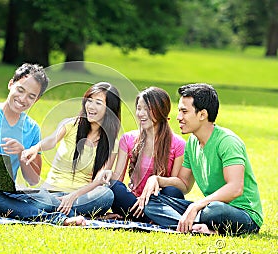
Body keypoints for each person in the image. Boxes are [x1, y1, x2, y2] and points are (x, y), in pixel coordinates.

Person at [0, 63, 85, 226]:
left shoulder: (32, 129)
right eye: (20, 90)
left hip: (9, 193)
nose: (23, 99)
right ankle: (53, 219)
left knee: (48, 200)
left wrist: (22, 154)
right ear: (11, 84)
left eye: (31, 96)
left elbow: (33, 179)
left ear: (37, 99)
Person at [143, 83, 263, 235]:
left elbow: (235, 188)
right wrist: (158, 180)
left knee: (213, 210)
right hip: (208, 208)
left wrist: (196, 206)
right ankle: (197, 227)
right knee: (152, 202)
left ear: (202, 115)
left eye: (184, 112)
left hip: (243, 215)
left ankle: (193, 223)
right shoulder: (192, 143)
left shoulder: (228, 142)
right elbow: (184, 184)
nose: (178, 117)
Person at [21, 82, 121, 217]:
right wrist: (35, 148)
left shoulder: (111, 143)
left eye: (98, 103)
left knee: (106, 195)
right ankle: (74, 214)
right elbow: (51, 140)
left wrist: (72, 197)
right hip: (51, 193)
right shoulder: (71, 124)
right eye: (89, 101)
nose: (90, 106)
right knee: (36, 198)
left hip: (80, 197)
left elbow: (99, 180)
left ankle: (49, 211)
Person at [106, 87, 185, 222]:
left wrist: (153, 189)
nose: (141, 114)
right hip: (133, 201)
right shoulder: (128, 139)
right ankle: (153, 218)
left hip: (159, 200)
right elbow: (118, 178)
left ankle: (147, 215)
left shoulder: (178, 144)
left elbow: (176, 183)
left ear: (161, 111)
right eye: (139, 108)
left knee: (172, 191)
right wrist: (105, 173)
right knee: (114, 187)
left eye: (147, 109)